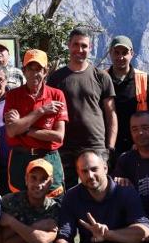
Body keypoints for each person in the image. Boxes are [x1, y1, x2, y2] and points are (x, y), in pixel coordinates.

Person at [48, 26, 116, 182]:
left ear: (90, 47)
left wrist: (110, 147)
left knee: (99, 188)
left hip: (96, 144)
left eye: (84, 46)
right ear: (68, 45)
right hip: (66, 146)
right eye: (76, 45)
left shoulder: (101, 77)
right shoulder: (56, 78)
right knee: (66, 191)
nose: (80, 49)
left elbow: (111, 114)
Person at [3, 49, 68, 194]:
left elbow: (58, 136)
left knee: (53, 203)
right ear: (23, 71)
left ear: (46, 71)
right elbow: (12, 132)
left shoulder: (57, 95)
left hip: (48, 157)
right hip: (21, 158)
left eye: (38, 69)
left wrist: (25, 129)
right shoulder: (13, 96)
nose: (34, 74)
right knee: (19, 203)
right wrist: (42, 111)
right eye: (30, 69)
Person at [106, 35, 149, 164]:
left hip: (138, 145)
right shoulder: (101, 78)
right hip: (108, 147)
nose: (120, 57)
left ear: (132, 54)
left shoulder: (144, 79)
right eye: (116, 52)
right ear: (110, 53)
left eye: (125, 53)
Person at [112, 110, 149, 212]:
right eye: (134, 129)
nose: (140, 133)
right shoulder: (125, 160)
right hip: (137, 217)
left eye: (145, 128)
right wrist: (119, 183)